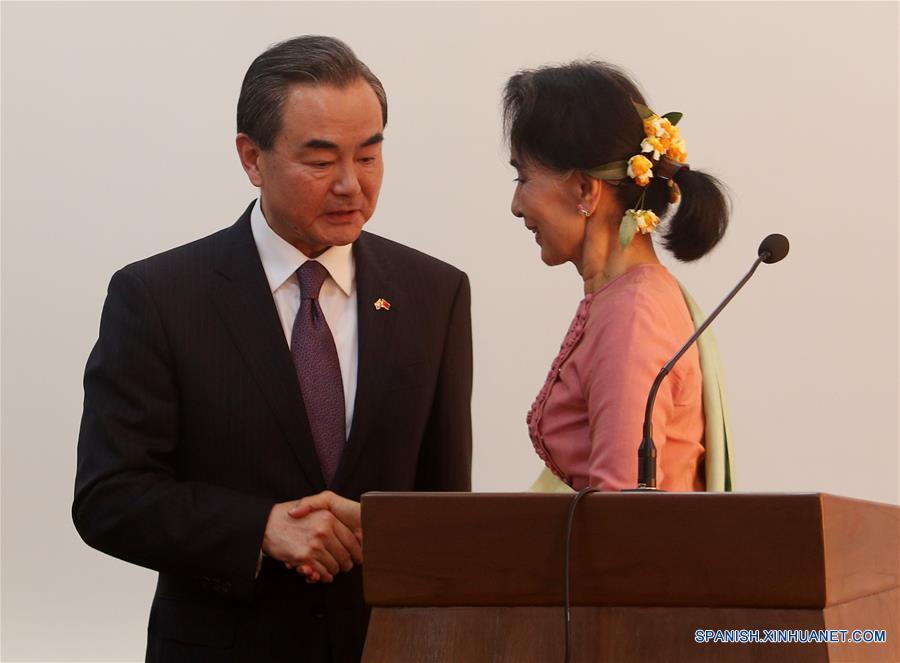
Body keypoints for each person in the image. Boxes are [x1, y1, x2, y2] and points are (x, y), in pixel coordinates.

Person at [73, 35, 472, 663]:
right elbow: (109, 497)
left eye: (369, 157)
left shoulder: (434, 293)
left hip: (385, 646)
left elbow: (446, 507)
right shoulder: (157, 296)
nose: (350, 185)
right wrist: (261, 528)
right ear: (252, 158)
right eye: (320, 161)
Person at [502, 61, 733, 493]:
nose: (516, 205)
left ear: (585, 190)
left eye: (523, 178)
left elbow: (619, 517)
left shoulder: (632, 316)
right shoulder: (624, 299)